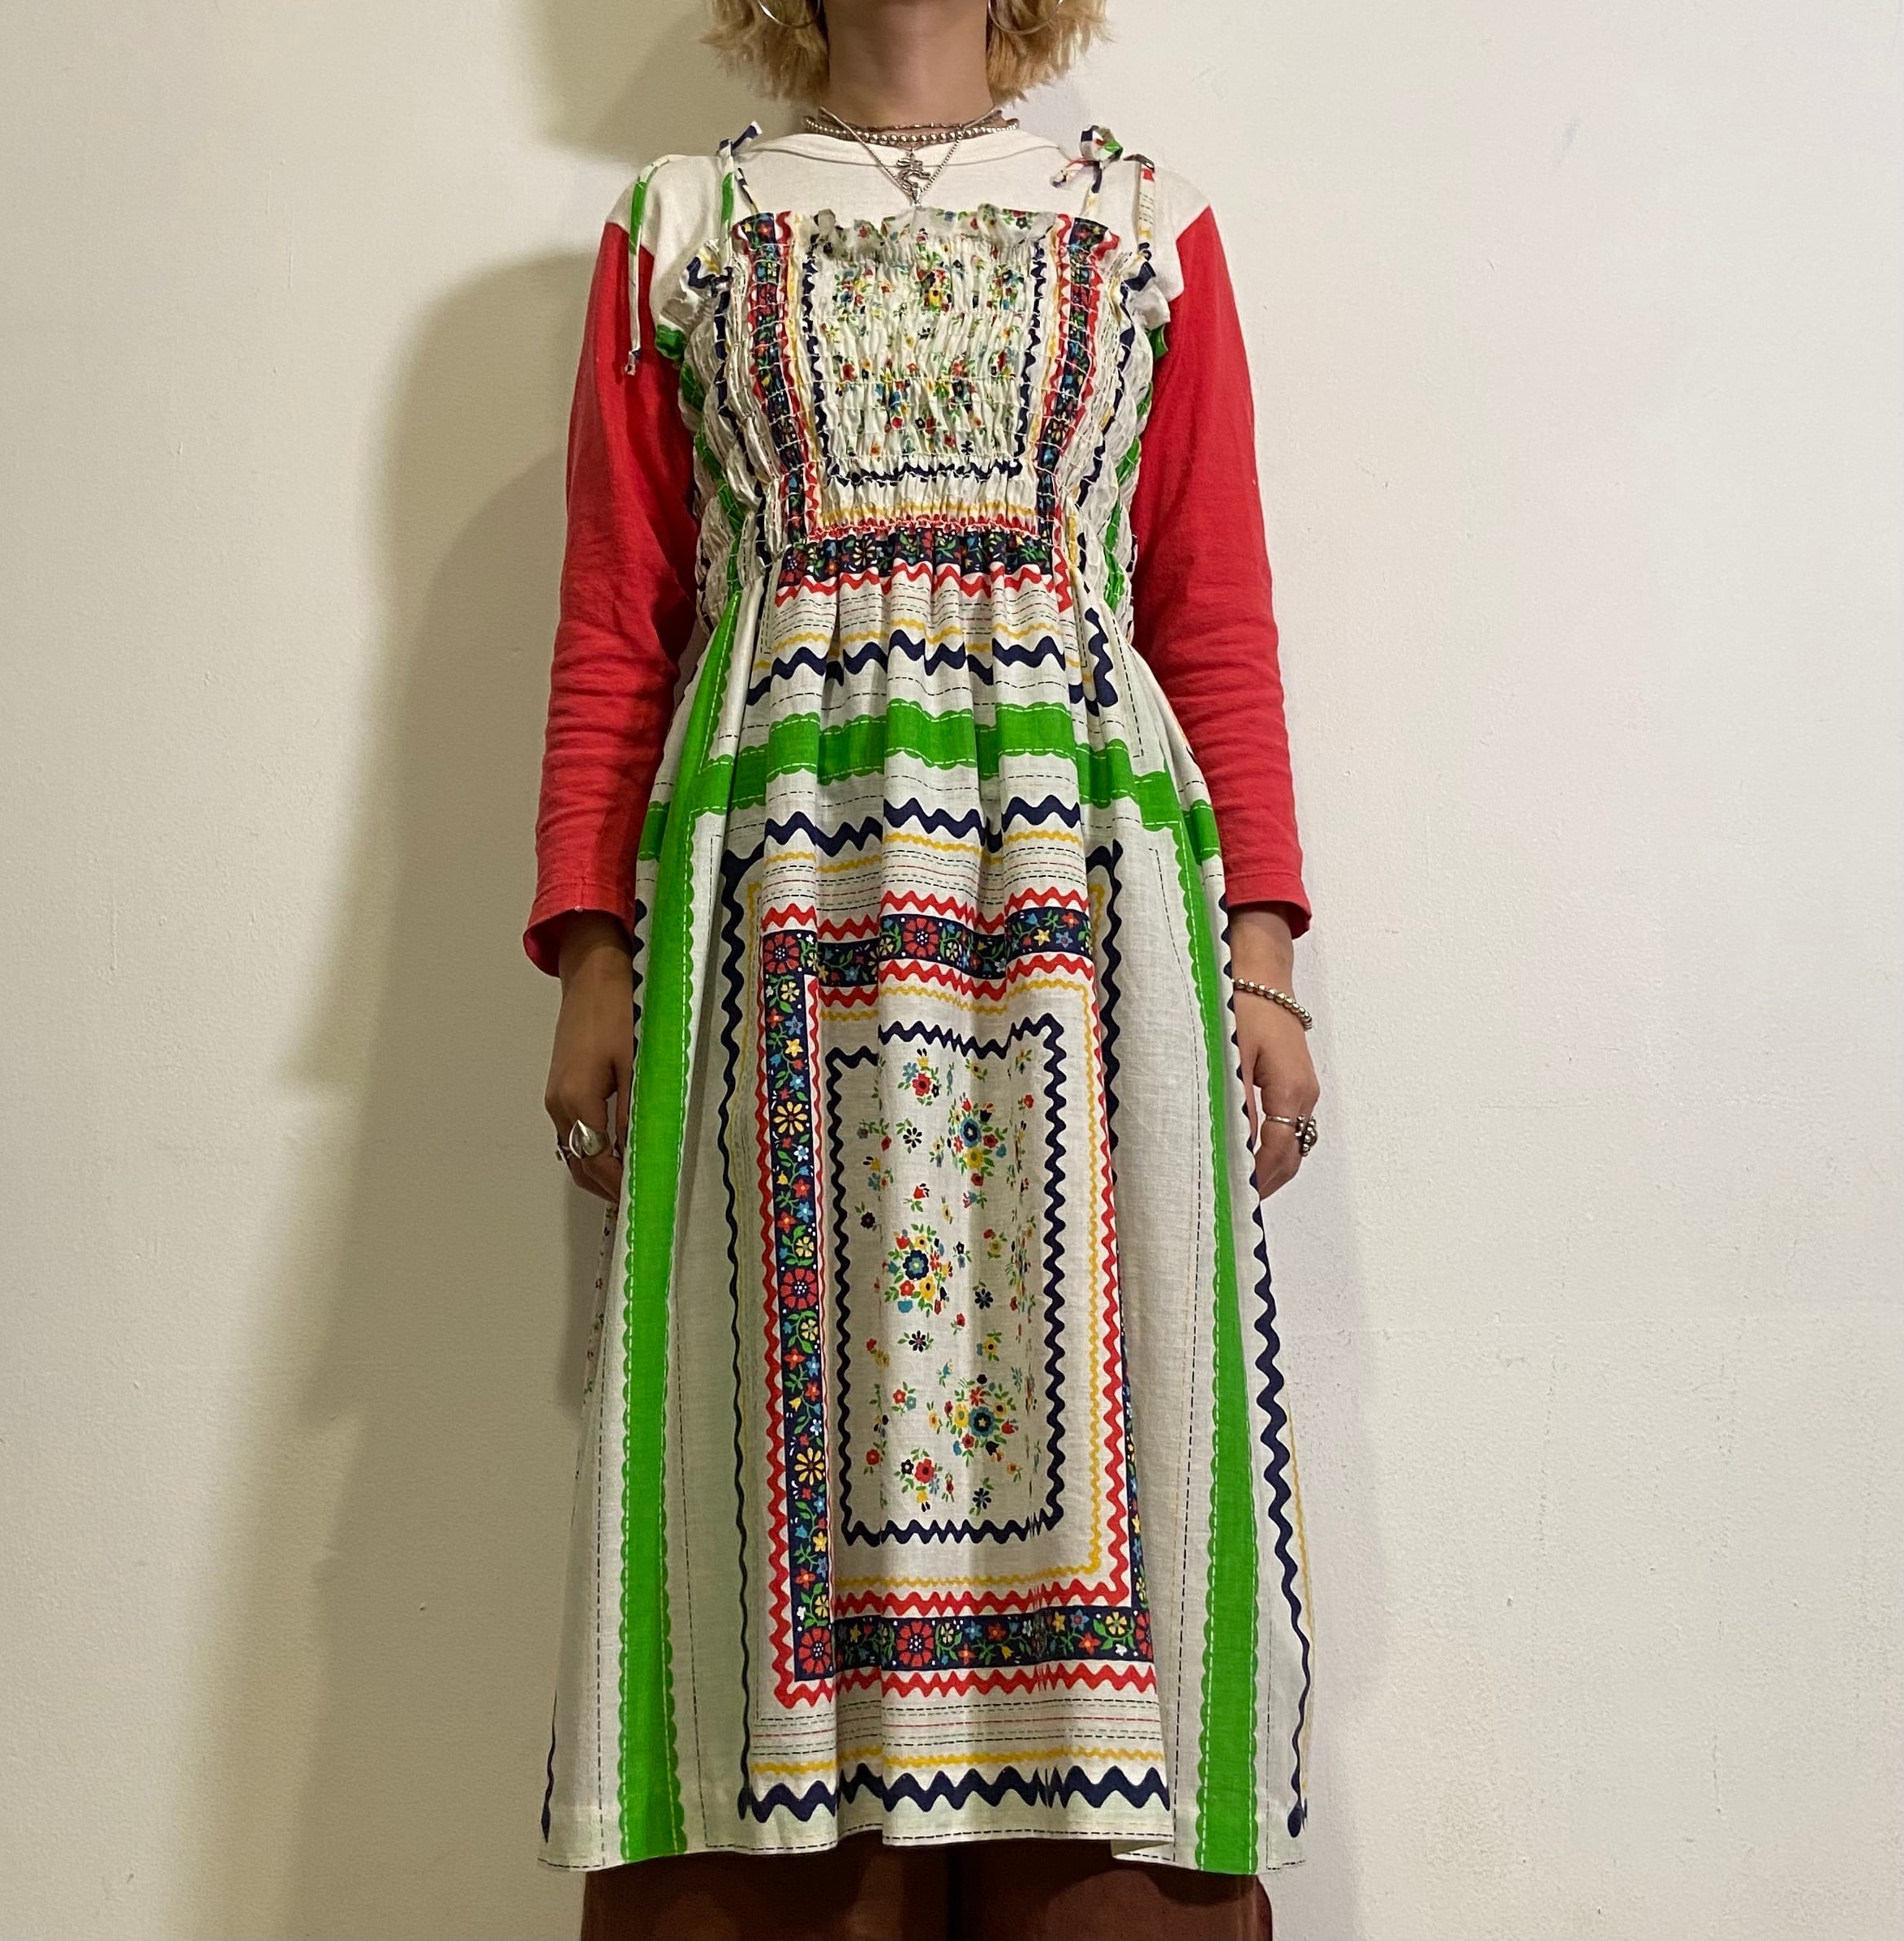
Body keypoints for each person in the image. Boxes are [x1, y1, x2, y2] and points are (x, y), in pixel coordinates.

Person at [526, 1, 1321, 1933]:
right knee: (772, 1419)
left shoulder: (1141, 223)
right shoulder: (684, 226)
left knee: (1119, 1393)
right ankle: (801, 1809)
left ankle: (1083, 1801)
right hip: (775, 903)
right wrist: (590, 952)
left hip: (1090, 911)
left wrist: (1268, 957)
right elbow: (618, 618)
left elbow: (1211, 606)